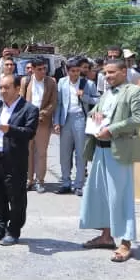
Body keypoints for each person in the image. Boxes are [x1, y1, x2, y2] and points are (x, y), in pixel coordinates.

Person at [79, 59, 140, 263]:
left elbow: (139, 118)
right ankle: (106, 236)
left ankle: (125, 242)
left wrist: (112, 129)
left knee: (121, 197)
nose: (107, 76)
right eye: (105, 73)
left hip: (119, 151)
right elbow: (95, 113)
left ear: (123, 71)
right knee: (101, 195)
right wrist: (95, 114)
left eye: (111, 72)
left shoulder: (134, 92)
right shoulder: (107, 93)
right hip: (100, 150)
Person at [0, 74, 39, 245]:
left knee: (16, 197)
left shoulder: (29, 109)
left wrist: (10, 129)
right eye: (1, 87)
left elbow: (29, 132)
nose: (3, 91)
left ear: (17, 89)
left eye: (6, 87)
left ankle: (13, 230)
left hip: (14, 159)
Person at [53, 57, 99, 196]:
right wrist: (56, 122)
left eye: (78, 71)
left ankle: (79, 184)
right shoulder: (62, 82)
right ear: (67, 71)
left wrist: (84, 96)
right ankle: (65, 182)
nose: (75, 74)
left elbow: (98, 100)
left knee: (81, 153)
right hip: (66, 119)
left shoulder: (88, 83)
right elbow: (59, 103)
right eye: (72, 71)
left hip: (81, 119)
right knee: (64, 153)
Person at [20, 57, 57, 193]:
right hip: (27, 122)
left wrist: (41, 114)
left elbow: (53, 102)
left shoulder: (51, 82)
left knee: (41, 153)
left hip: (43, 122)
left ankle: (40, 181)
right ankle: (29, 180)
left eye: (44, 69)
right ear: (33, 69)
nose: (43, 71)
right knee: (27, 152)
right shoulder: (26, 81)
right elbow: (21, 100)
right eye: (39, 69)